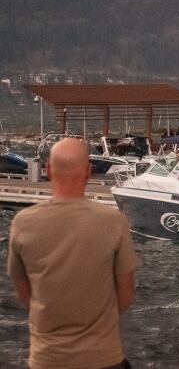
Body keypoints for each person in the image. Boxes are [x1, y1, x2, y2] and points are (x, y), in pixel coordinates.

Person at [7, 138, 137, 369]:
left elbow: (23, 292)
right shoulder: (114, 222)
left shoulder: (23, 223)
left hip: (47, 358)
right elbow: (125, 294)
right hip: (103, 356)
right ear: (88, 172)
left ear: (47, 170)